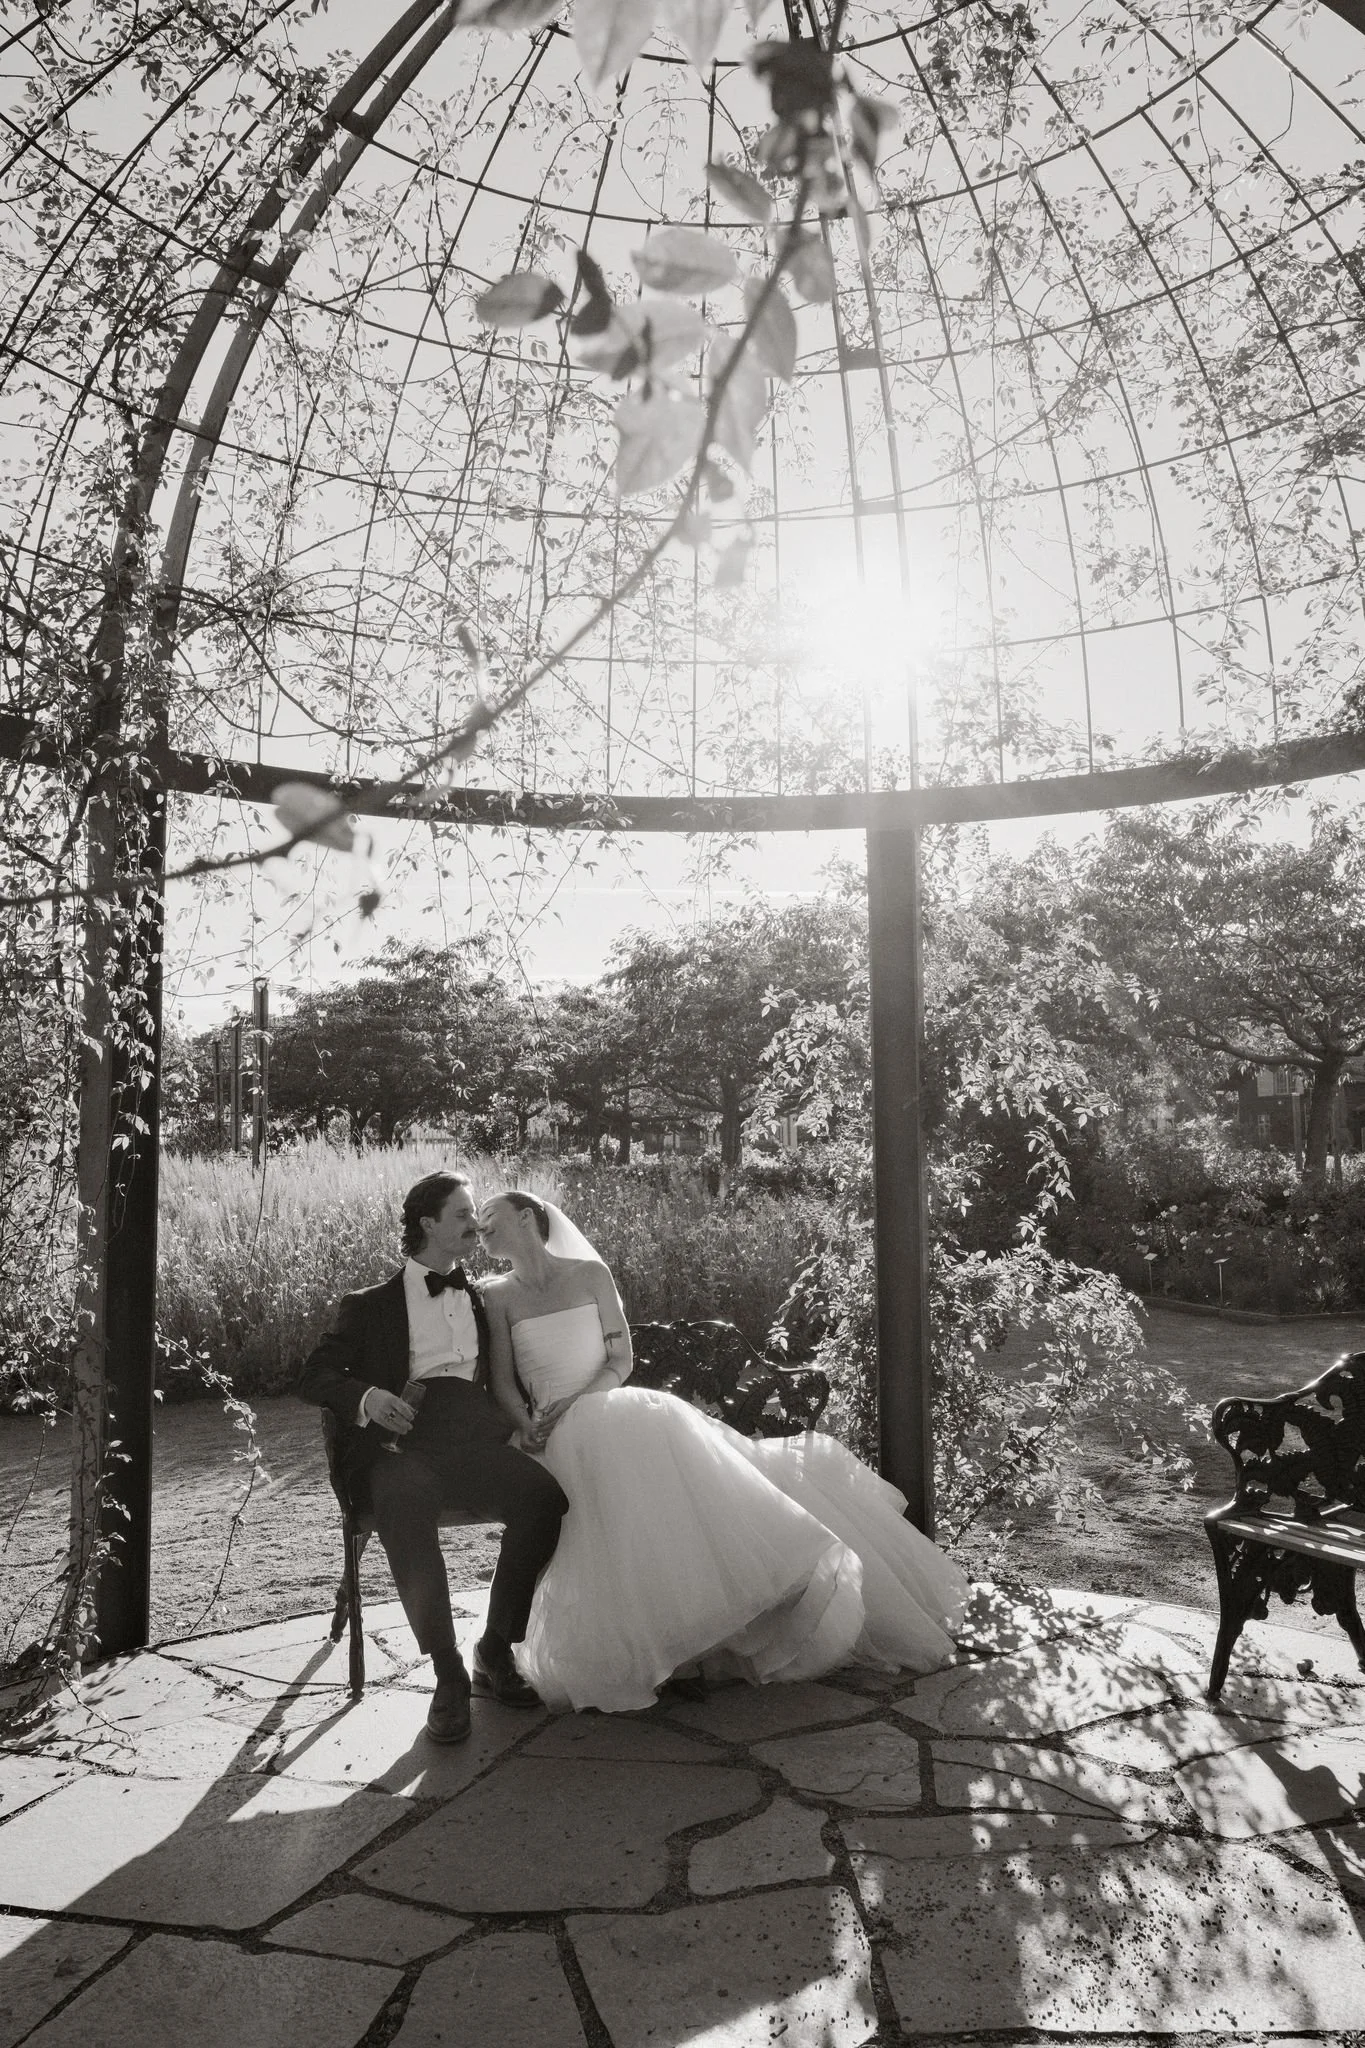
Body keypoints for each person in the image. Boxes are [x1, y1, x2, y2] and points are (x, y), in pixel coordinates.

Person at [477, 1189, 969, 1715]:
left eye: (490, 1220)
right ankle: (648, 1646)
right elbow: (504, 1379)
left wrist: (580, 1399)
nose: (481, 1231)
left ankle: (696, 1637)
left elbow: (620, 1357)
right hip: (550, 1431)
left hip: (606, 1405)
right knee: (602, 1505)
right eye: (476, 1224)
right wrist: (527, 1423)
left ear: (526, 1217)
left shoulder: (588, 1275)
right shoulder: (496, 1294)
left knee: (653, 1483)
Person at [298, 1171, 568, 1743]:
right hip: (400, 1448)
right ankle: (447, 1672)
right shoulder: (369, 1305)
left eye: (476, 1215)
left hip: (470, 1444)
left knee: (544, 1498)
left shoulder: (482, 1297)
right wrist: (369, 1399)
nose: (477, 1225)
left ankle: (493, 1650)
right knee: (402, 1497)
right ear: (428, 1225)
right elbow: (314, 1375)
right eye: (464, 1215)